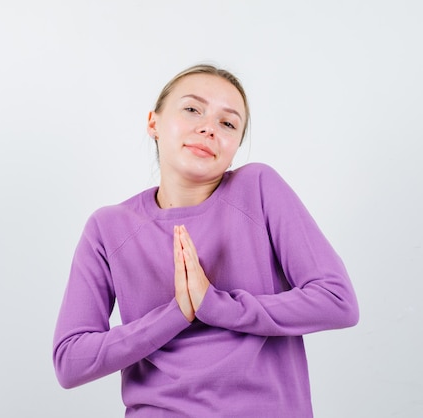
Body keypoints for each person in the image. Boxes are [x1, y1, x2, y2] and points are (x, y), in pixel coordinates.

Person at [52, 63, 359, 417]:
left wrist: (216, 304)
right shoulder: (108, 228)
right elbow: (70, 361)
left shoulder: (258, 188)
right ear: (154, 122)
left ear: (235, 147)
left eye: (227, 123)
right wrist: (177, 313)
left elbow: (338, 301)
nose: (208, 128)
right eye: (192, 109)